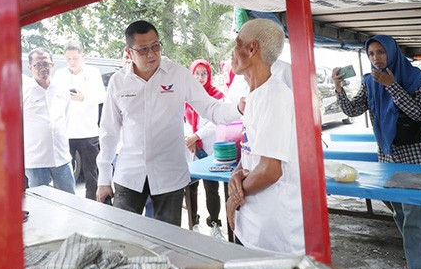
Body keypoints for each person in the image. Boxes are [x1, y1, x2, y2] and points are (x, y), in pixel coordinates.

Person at [97, 20, 242, 226]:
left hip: (169, 176)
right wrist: (103, 179)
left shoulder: (178, 74)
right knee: (123, 236)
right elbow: (109, 132)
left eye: (156, 46)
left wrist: (238, 108)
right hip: (129, 175)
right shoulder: (118, 82)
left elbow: (211, 109)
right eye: (143, 49)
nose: (151, 54)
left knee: (168, 241)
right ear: (129, 53)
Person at [333, 35, 421, 269]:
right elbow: (354, 110)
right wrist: (338, 89)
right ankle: (418, 261)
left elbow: (419, 113)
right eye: (371, 54)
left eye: (381, 52)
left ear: (392, 52)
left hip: (416, 156)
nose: (376, 58)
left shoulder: (416, 77)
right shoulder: (370, 81)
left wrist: (392, 86)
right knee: (400, 213)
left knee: (415, 217)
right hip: (388, 157)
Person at [224, 19, 305, 256]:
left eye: (236, 44)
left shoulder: (275, 96)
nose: (232, 52)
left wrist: (233, 199)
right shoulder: (255, 95)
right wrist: (237, 173)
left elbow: (270, 170)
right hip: (252, 223)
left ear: (251, 49)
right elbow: (252, 151)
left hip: (273, 233)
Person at [52, 42, 106, 200]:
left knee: (91, 173)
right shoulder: (60, 74)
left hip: (88, 131)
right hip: (65, 131)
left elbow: (102, 96)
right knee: (64, 172)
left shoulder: (93, 72)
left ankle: (93, 205)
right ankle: (65, 203)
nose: (72, 62)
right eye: (68, 58)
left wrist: (84, 97)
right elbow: (54, 99)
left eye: (75, 58)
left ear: (83, 56)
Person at [22, 48, 75, 194]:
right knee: (41, 205)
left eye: (46, 64)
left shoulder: (61, 89)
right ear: (30, 68)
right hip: (35, 160)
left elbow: (66, 118)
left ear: (52, 65)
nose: (43, 68)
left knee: (70, 202)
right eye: (38, 65)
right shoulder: (23, 92)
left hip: (62, 157)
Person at [184, 59, 226, 239]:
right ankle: (193, 223)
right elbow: (182, 120)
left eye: (204, 74)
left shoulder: (217, 95)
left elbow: (215, 121)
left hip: (209, 148)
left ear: (209, 75)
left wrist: (197, 136)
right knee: (191, 188)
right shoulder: (185, 95)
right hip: (191, 149)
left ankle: (215, 223)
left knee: (211, 188)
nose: (200, 78)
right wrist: (189, 138)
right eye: (197, 73)